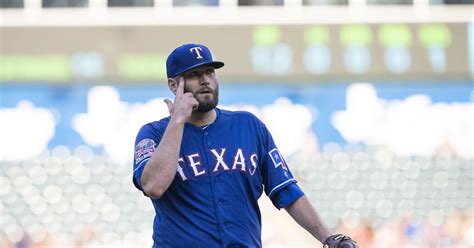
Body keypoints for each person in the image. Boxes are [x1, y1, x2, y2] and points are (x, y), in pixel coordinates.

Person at [132, 43, 358, 248]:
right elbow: (153, 185)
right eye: (194, 74)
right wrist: (178, 121)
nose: (205, 80)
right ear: (173, 85)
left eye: (209, 72)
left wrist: (328, 238)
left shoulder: (248, 126)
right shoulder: (153, 134)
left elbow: (287, 190)